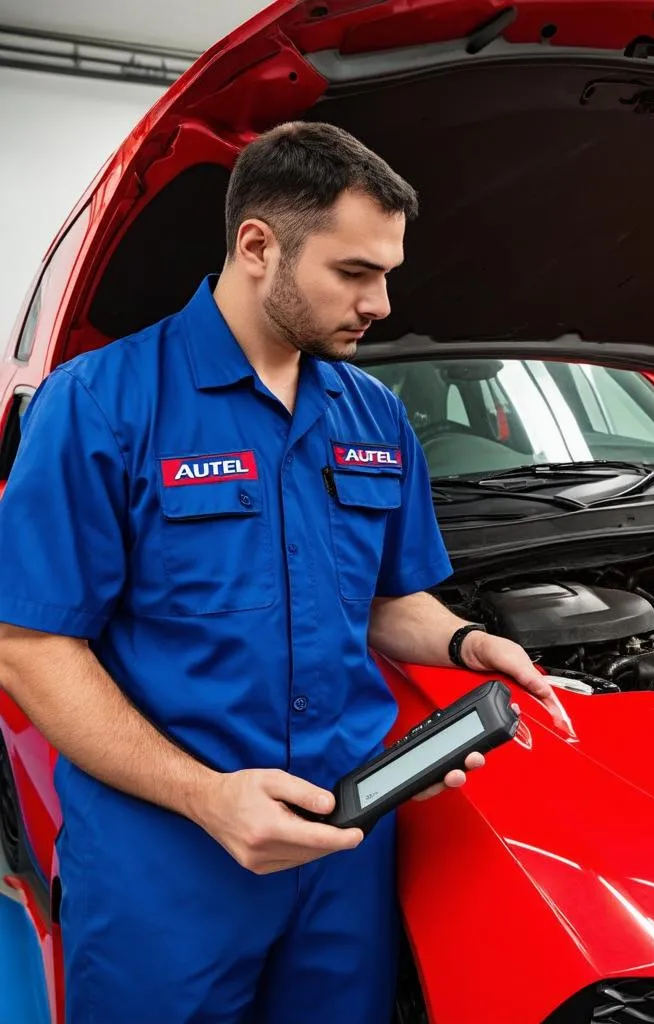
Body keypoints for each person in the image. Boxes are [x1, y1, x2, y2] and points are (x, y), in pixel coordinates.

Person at [0, 121, 555, 1023]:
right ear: (257, 245)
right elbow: (28, 644)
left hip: (343, 838)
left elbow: (382, 600)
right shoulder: (103, 402)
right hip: (167, 851)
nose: (379, 302)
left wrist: (468, 641)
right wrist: (207, 797)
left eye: (387, 273)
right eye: (354, 272)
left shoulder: (372, 413)